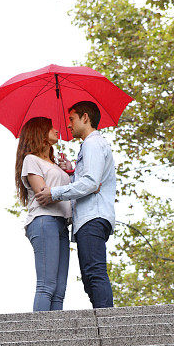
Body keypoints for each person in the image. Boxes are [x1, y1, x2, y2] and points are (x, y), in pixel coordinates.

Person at [35, 101, 115, 309]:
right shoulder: (88, 146)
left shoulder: (93, 144)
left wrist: (55, 193)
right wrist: (71, 171)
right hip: (88, 218)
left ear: (85, 118)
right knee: (90, 277)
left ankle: (107, 323)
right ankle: (103, 320)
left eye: (71, 119)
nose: (68, 125)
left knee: (94, 273)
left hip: (93, 217)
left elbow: (90, 183)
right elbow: (88, 181)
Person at [16, 116, 73, 311]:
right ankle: (39, 338)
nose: (57, 130)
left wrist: (70, 172)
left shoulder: (57, 164)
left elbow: (63, 193)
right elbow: (42, 194)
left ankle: (56, 340)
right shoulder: (31, 160)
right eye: (51, 128)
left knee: (59, 290)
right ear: (39, 133)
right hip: (43, 220)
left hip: (62, 224)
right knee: (46, 286)